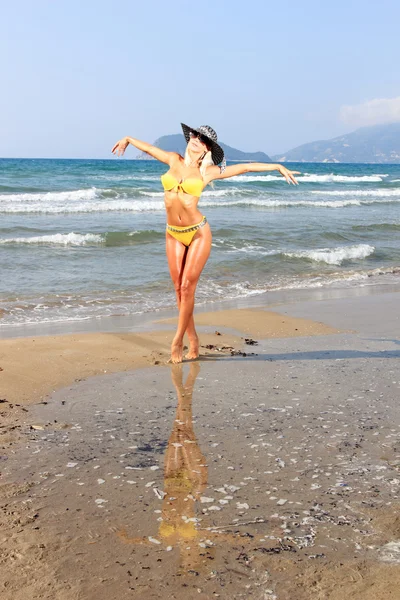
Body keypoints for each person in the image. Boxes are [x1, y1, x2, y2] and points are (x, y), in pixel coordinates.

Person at [112, 123, 300, 363]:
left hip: (198, 232)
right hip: (172, 233)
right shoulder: (173, 159)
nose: (196, 139)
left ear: (206, 149)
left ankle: (177, 341)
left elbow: (245, 168)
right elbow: (149, 149)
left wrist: (277, 166)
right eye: (195, 135)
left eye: (202, 139)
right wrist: (128, 138)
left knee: (188, 287)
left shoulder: (206, 172)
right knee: (179, 290)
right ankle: (194, 340)